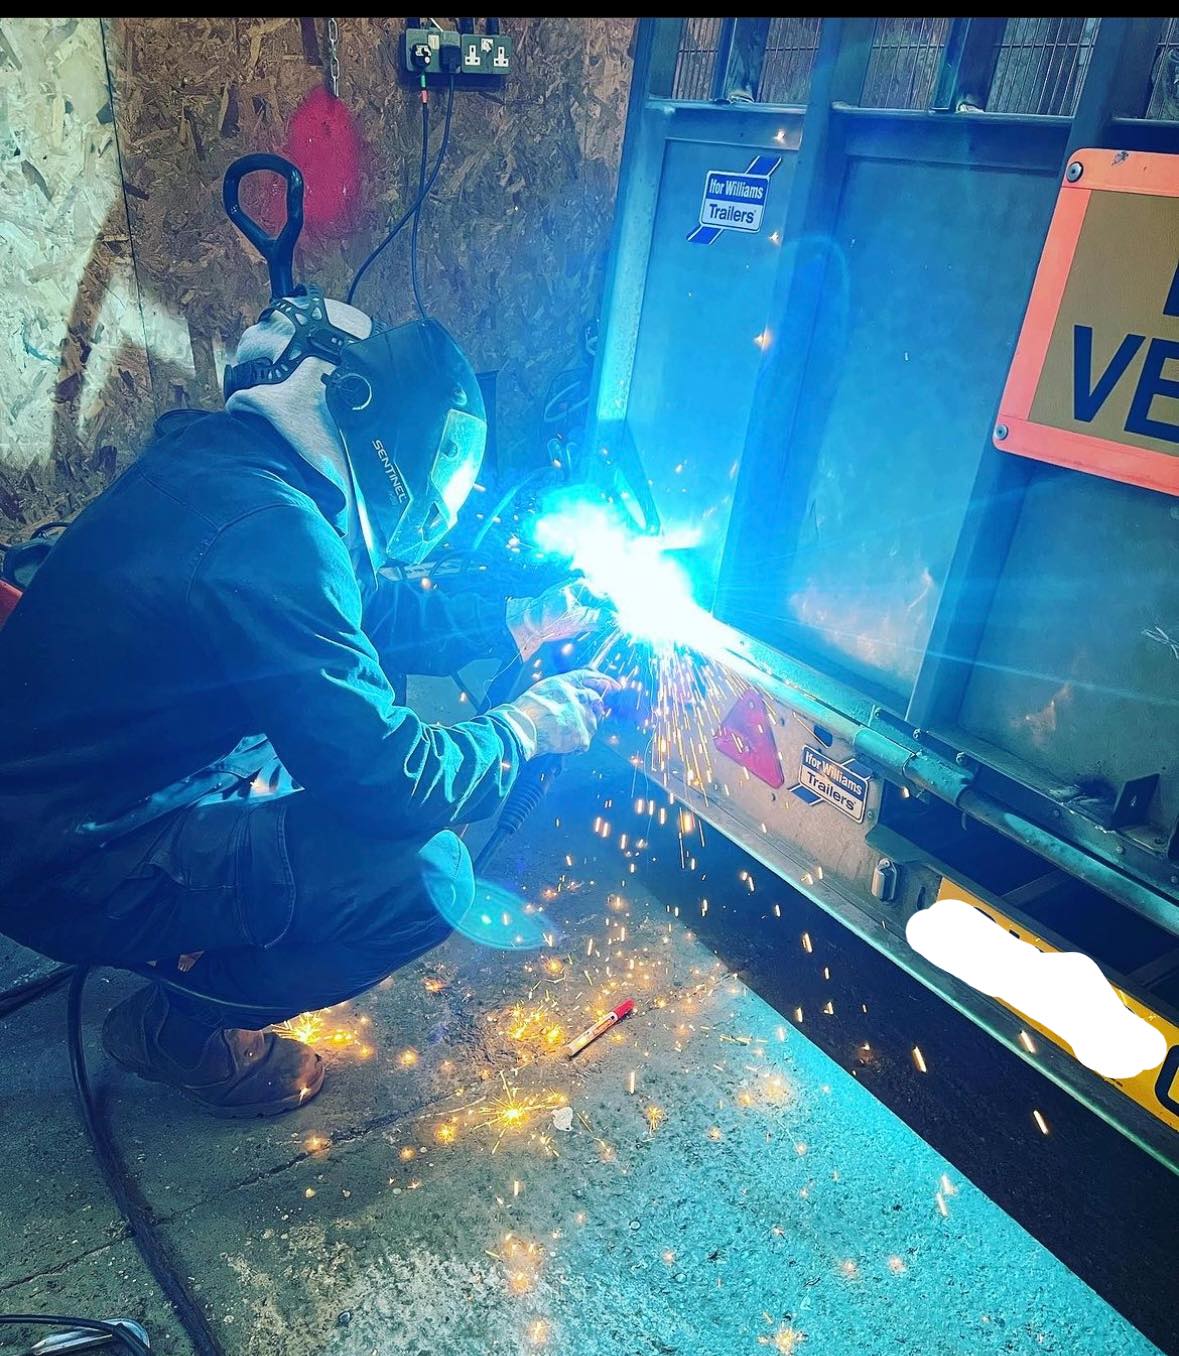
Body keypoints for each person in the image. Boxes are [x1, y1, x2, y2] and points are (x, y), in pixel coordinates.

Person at [0, 290, 616, 1117]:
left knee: (316, 748)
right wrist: (524, 728)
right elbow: (394, 784)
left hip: (55, 808)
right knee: (423, 876)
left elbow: (347, 614)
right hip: (71, 864)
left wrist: (510, 621)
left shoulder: (224, 466)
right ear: (365, 413)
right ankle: (181, 1029)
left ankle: (186, 932)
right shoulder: (272, 533)